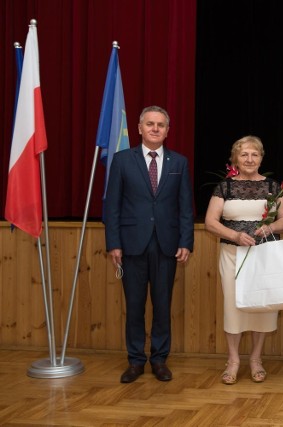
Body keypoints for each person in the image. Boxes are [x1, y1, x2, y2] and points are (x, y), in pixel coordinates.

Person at [104, 105, 194, 383]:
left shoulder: (179, 162)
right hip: (131, 245)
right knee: (134, 305)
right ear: (140, 128)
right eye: (150, 124)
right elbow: (112, 206)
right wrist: (114, 243)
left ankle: (159, 360)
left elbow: (185, 207)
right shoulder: (122, 160)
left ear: (168, 131)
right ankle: (135, 361)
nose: (155, 129)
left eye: (161, 125)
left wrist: (186, 241)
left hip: (167, 245)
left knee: (163, 305)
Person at [204, 135, 283, 385]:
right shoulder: (225, 188)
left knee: (261, 308)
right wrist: (235, 235)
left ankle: (256, 359)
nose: (249, 159)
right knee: (234, 307)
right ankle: (233, 361)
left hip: (264, 257)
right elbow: (210, 222)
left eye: (254, 154)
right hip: (232, 256)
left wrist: (268, 228)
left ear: (261, 158)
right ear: (236, 159)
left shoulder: (274, 187)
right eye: (244, 154)